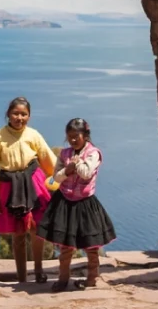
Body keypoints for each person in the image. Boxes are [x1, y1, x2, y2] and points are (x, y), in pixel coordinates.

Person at [37, 118, 116, 292]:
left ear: (86, 135)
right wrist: (67, 169)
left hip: (85, 203)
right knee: (65, 245)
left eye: (76, 136)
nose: (73, 140)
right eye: (70, 136)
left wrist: (75, 165)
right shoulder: (64, 154)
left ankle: (92, 278)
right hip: (65, 201)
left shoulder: (94, 153)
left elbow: (87, 173)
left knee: (91, 244)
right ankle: (63, 279)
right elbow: (56, 177)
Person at [0, 97, 57, 283]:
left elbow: (48, 158)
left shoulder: (33, 135)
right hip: (10, 187)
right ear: (8, 115)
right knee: (17, 233)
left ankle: (39, 270)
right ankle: (21, 277)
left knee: (37, 229)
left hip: (33, 183)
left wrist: (62, 179)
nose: (20, 117)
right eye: (16, 113)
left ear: (29, 116)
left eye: (24, 114)